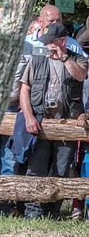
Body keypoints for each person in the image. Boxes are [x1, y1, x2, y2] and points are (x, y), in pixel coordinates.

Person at [20, 21, 88, 219]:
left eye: (51, 42)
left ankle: (53, 212)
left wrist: (64, 58)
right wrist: (29, 116)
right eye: (45, 41)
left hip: (66, 124)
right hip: (41, 121)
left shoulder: (77, 58)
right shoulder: (37, 58)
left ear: (62, 41)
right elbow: (25, 89)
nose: (47, 45)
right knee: (36, 169)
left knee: (61, 169)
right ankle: (33, 212)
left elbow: (81, 75)